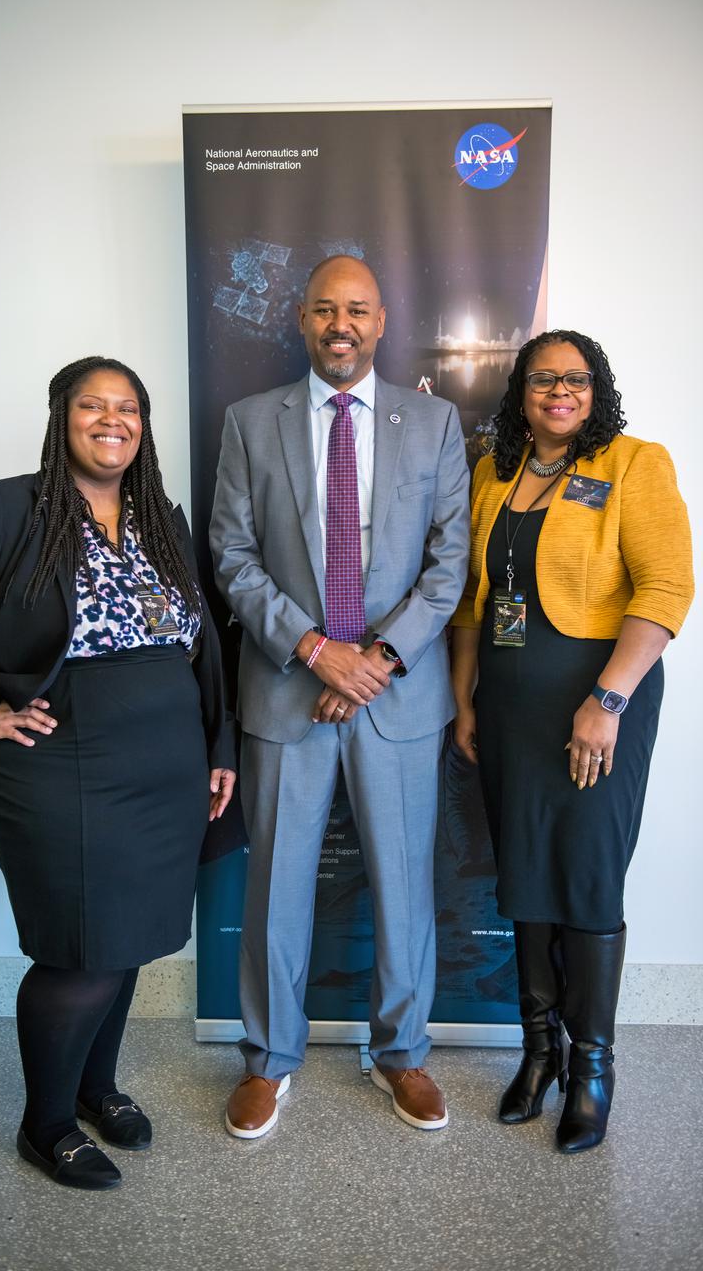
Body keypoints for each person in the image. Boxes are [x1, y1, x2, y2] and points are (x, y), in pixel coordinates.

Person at [0, 357, 235, 1189]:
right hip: (59, 755)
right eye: (94, 404)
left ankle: (96, 1090)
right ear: (62, 416)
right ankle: (44, 1123)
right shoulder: (11, 506)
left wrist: (218, 746)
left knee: (123, 940)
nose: (111, 419)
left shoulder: (159, 515)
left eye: (128, 408)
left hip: (166, 757)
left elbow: (203, 641)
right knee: (81, 945)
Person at [209, 255, 470, 1138]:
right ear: (302, 320)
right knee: (275, 884)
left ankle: (401, 1054)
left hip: (395, 698)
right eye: (324, 309)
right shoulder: (250, 423)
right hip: (287, 690)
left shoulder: (433, 423)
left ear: (383, 320)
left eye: (356, 310)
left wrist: (376, 661)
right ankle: (268, 1059)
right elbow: (232, 558)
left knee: (403, 885)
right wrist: (318, 651)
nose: (340, 325)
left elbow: (448, 565)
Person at [450, 330, 693, 1152]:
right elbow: (473, 603)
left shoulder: (633, 464)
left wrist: (609, 699)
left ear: (597, 391)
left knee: (585, 876)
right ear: (520, 392)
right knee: (522, 871)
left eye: (577, 379)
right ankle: (538, 1054)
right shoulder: (493, 474)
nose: (561, 391)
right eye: (544, 379)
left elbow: (666, 587)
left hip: (597, 700)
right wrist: (463, 700)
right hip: (510, 704)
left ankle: (592, 1069)